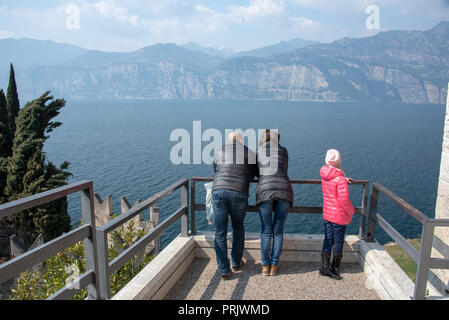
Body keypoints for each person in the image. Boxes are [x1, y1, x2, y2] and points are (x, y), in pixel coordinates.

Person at [212, 131, 258, 279]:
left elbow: (216, 169)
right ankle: (237, 262)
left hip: (218, 191)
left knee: (220, 232)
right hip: (239, 192)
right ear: (240, 141)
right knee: (238, 227)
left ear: (228, 140)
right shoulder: (249, 153)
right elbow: (254, 174)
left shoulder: (219, 150)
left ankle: (224, 270)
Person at [256, 129, 293, 276]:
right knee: (278, 231)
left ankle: (265, 266)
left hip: (265, 190)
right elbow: (284, 169)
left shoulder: (258, 151)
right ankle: (274, 266)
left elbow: (256, 171)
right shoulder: (283, 151)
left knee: (266, 231)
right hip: (283, 189)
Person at [319, 149, 355, 280]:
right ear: (339, 160)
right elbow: (343, 200)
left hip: (328, 214)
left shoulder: (324, 174)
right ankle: (334, 268)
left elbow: (332, 179)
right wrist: (351, 211)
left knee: (327, 240)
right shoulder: (339, 179)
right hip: (339, 216)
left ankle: (323, 268)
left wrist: (343, 177)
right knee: (338, 242)